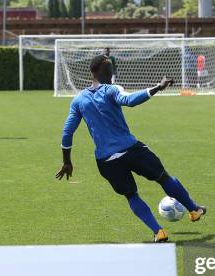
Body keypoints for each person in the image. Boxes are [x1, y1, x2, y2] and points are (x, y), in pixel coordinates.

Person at [56, 54, 206, 243]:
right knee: (163, 177)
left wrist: (67, 161)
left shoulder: (78, 101)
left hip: (106, 161)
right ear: (106, 72)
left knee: (130, 195)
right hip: (131, 150)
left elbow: (67, 133)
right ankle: (193, 209)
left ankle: (159, 231)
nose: (112, 73)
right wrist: (157, 88)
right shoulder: (111, 89)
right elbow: (129, 100)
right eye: (110, 69)